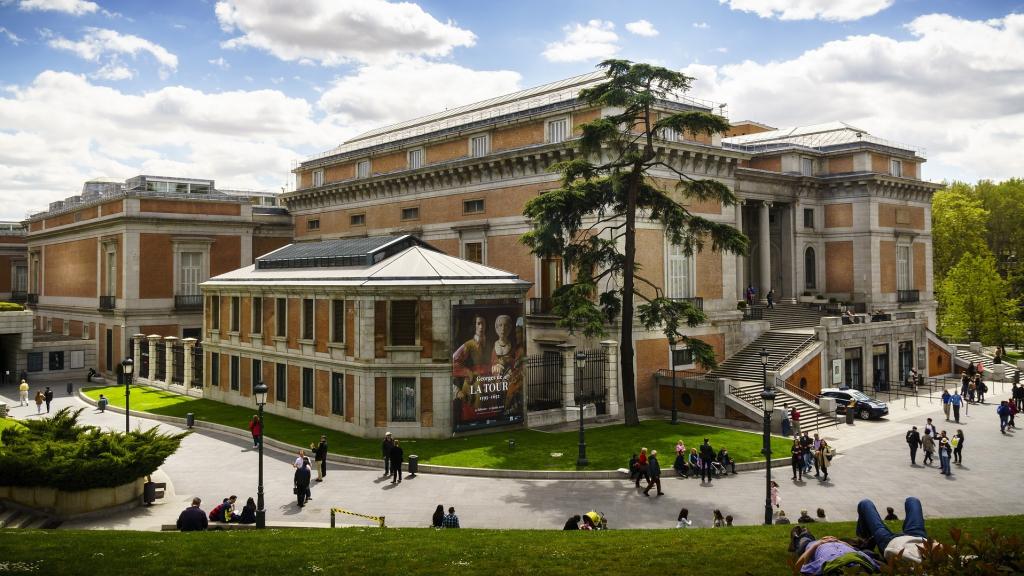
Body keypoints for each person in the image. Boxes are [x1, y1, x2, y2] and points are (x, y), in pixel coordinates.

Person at [856, 497, 931, 566]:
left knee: (865, 503)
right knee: (913, 500)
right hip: (917, 537)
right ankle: (864, 544)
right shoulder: (932, 564)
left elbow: (892, 555)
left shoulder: (914, 566)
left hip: (890, 542)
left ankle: (863, 544)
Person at [791, 527, 879, 575]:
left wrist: (817, 544)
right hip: (841, 549)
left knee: (804, 539)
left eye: (831, 537)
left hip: (810, 546)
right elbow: (855, 550)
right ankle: (804, 532)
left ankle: (799, 535)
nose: (830, 538)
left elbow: (799, 566)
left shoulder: (825, 563)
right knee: (862, 548)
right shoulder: (857, 555)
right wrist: (839, 541)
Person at [452, 314, 490, 421]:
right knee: (474, 411)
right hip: (474, 382)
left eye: (483, 323)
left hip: (489, 380)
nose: (481, 327)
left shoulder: (490, 343)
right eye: (478, 324)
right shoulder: (469, 344)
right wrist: (467, 371)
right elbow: (454, 360)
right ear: (474, 326)